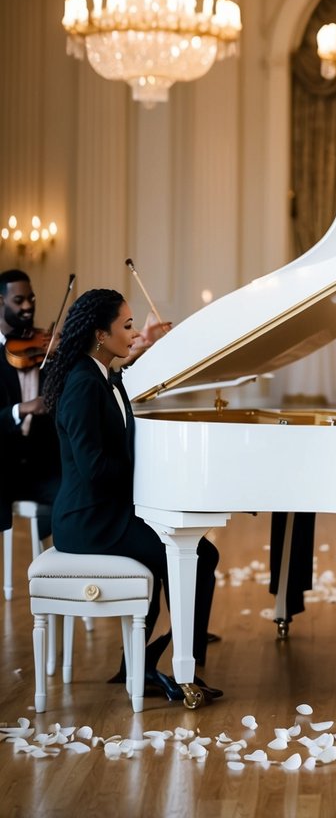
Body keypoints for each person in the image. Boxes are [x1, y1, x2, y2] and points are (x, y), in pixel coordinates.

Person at [41, 288, 221, 702]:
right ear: (101, 335)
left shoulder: (105, 376)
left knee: (192, 557)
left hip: (109, 510)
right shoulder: (83, 385)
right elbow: (95, 470)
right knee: (199, 557)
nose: (134, 332)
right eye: (126, 326)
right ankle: (175, 665)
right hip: (88, 520)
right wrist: (150, 476)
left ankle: (144, 664)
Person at [0, 268, 61, 542]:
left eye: (32, 299)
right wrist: (21, 408)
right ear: (1, 302)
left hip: (43, 467)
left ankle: (59, 563)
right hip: (4, 468)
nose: (28, 307)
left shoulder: (45, 348)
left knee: (80, 494)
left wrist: (64, 353)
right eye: (19, 300)